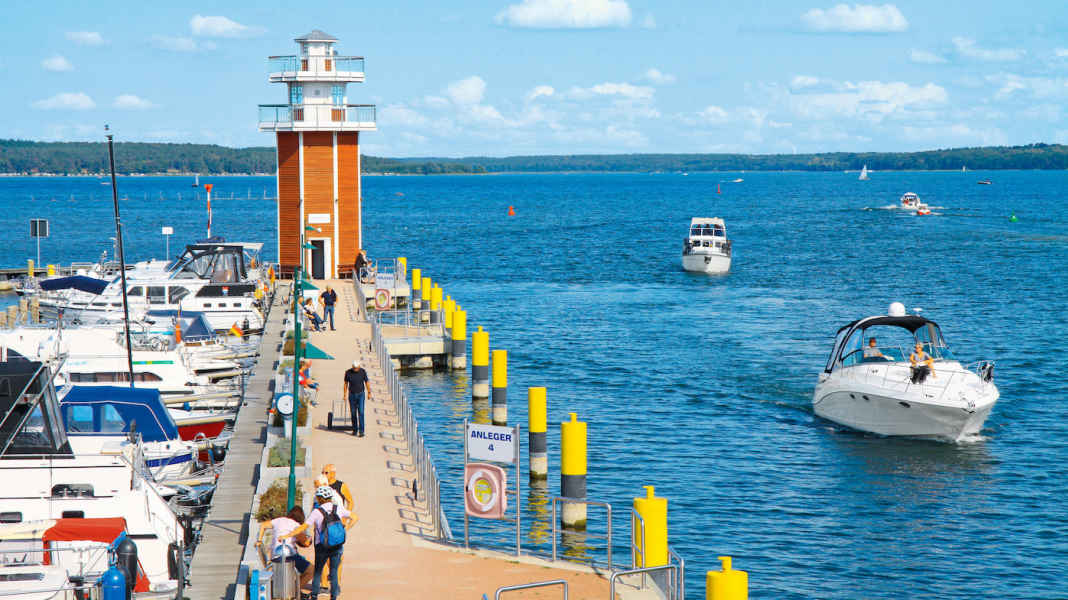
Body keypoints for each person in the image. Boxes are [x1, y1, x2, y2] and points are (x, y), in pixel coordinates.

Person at [279, 486, 355, 600]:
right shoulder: (338, 508)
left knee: (318, 572)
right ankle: (333, 597)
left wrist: (287, 535)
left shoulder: (317, 511)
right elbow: (355, 517)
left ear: (319, 498)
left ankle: (314, 596)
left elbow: (302, 527)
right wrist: (345, 529)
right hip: (337, 545)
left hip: (321, 546)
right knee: (333, 572)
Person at [255, 506, 313, 591]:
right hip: (288, 555)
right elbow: (305, 543)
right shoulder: (296, 525)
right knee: (310, 570)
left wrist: (259, 540)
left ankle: (291, 589)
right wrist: (309, 540)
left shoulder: (279, 520)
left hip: (274, 555)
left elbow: (263, 525)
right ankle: (294, 591)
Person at [343, 360, 371, 437]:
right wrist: (344, 394)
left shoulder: (363, 372)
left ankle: (361, 431)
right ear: (352, 367)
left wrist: (369, 392)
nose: (355, 369)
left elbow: (367, 382)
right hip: (351, 395)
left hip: (361, 394)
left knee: (361, 412)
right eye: (354, 368)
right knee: (353, 413)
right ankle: (355, 430)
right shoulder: (348, 372)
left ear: (359, 367)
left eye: (357, 368)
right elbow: (345, 384)